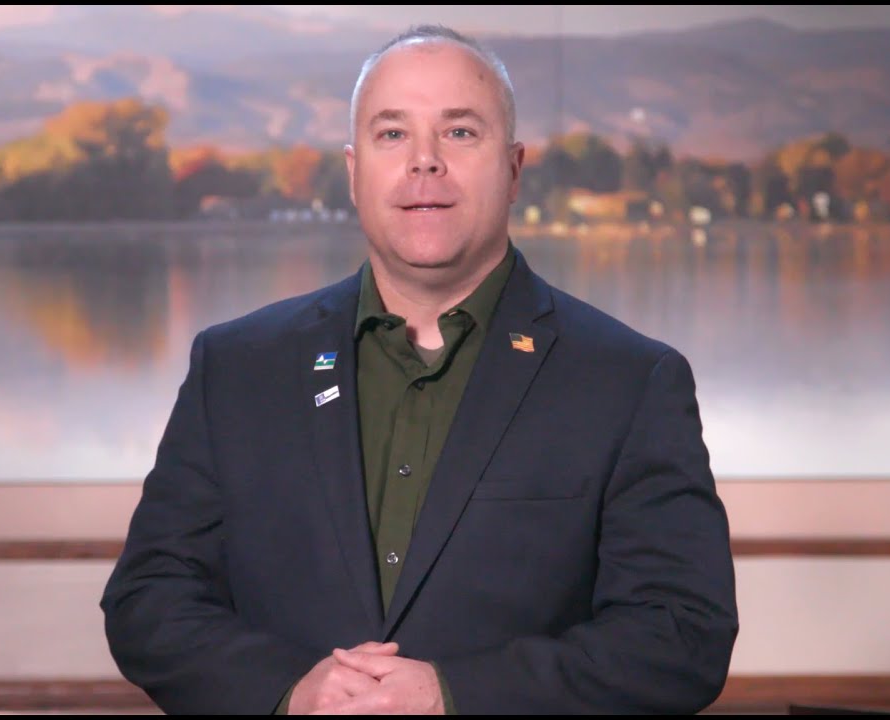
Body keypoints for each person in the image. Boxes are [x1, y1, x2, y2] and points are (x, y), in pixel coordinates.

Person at [101, 24, 738, 715]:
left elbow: (682, 635)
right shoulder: (236, 367)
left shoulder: (629, 381)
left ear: (514, 168)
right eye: (392, 134)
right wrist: (291, 689)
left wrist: (455, 696)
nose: (424, 162)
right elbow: (149, 599)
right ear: (354, 172)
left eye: (460, 132)